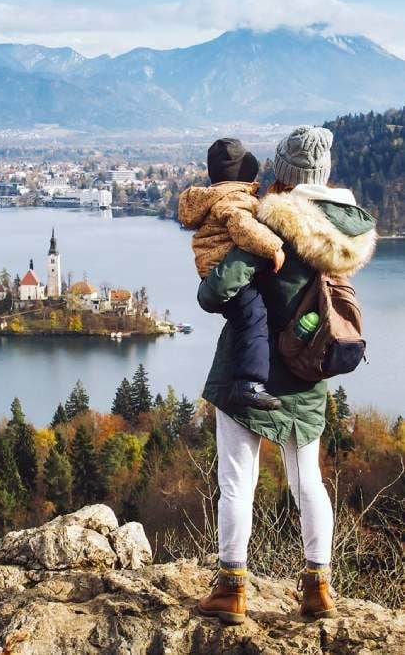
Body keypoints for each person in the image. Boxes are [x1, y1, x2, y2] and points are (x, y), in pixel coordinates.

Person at [196, 126, 376, 624]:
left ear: (286, 171)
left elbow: (214, 294)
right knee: (308, 482)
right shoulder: (343, 232)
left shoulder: (272, 223)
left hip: (246, 374)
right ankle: (318, 587)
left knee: (236, 481)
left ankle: (232, 589)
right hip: (307, 373)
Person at [178, 138, 285, 409]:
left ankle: (246, 380)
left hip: (213, 271)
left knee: (244, 319)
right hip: (227, 273)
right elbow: (244, 230)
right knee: (254, 317)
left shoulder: (212, 197)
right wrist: (274, 248)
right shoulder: (233, 200)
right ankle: (249, 384)